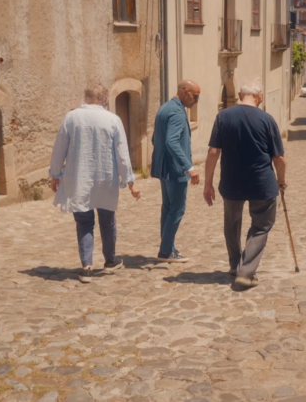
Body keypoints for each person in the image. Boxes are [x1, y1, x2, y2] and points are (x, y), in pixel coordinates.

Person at [49, 84, 141, 284]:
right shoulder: (113, 120)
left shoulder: (71, 118)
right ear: (104, 98)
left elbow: (59, 150)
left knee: (84, 223)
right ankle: (110, 259)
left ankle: (87, 267)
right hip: (105, 179)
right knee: (107, 220)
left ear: (85, 96)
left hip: (79, 179)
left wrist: (55, 175)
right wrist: (130, 182)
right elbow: (122, 154)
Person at [203, 78, 286, 290]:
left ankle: (234, 266)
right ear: (260, 97)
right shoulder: (267, 120)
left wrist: (208, 184)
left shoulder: (223, 116)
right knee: (261, 226)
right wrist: (281, 181)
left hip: (231, 182)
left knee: (231, 225)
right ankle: (246, 272)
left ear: (240, 96)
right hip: (261, 183)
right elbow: (279, 159)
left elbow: (213, 152)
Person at [151, 80, 201, 263]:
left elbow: (155, 138)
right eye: (195, 96)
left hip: (164, 168)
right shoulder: (177, 113)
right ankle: (165, 252)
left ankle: (168, 248)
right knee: (177, 209)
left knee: (168, 208)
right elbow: (171, 141)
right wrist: (189, 167)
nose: (196, 100)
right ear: (185, 91)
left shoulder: (164, 108)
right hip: (175, 169)